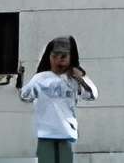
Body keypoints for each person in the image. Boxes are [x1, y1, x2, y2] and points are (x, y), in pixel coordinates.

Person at [18, 34, 97, 163]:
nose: (58, 60)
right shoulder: (41, 78)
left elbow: (92, 94)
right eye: (54, 56)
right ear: (49, 57)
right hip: (45, 133)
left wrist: (81, 77)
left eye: (63, 56)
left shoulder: (73, 80)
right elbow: (25, 96)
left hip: (66, 133)